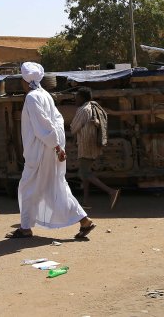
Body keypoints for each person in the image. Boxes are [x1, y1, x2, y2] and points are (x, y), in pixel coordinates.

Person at [6, 62, 96, 239]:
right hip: (50, 149)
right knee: (55, 188)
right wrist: (58, 146)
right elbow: (58, 121)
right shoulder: (45, 95)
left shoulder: (32, 98)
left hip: (41, 152)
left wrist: (56, 146)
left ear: (26, 81)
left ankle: (25, 228)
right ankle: (85, 221)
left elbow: (44, 126)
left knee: (27, 188)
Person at [71, 87, 121, 209]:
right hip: (94, 145)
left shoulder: (83, 110)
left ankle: (111, 191)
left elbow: (73, 127)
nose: (75, 99)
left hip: (86, 145)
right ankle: (86, 201)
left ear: (82, 98)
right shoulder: (94, 107)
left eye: (77, 97)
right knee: (85, 173)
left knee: (84, 173)